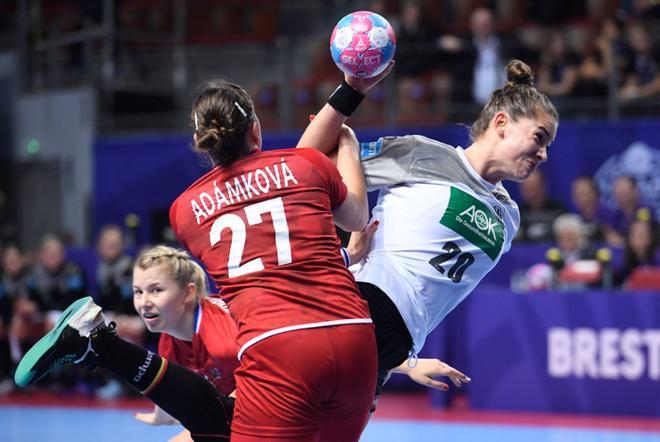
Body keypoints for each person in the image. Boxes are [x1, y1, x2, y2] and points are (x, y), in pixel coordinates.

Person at [298, 58, 558, 396]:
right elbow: (304, 161)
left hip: (396, 344)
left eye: (548, 145)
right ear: (502, 123)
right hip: (361, 304)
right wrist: (351, 96)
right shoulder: (422, 155)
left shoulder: (509, 217)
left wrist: (405, 361)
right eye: (539, 138)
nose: (544, 154)